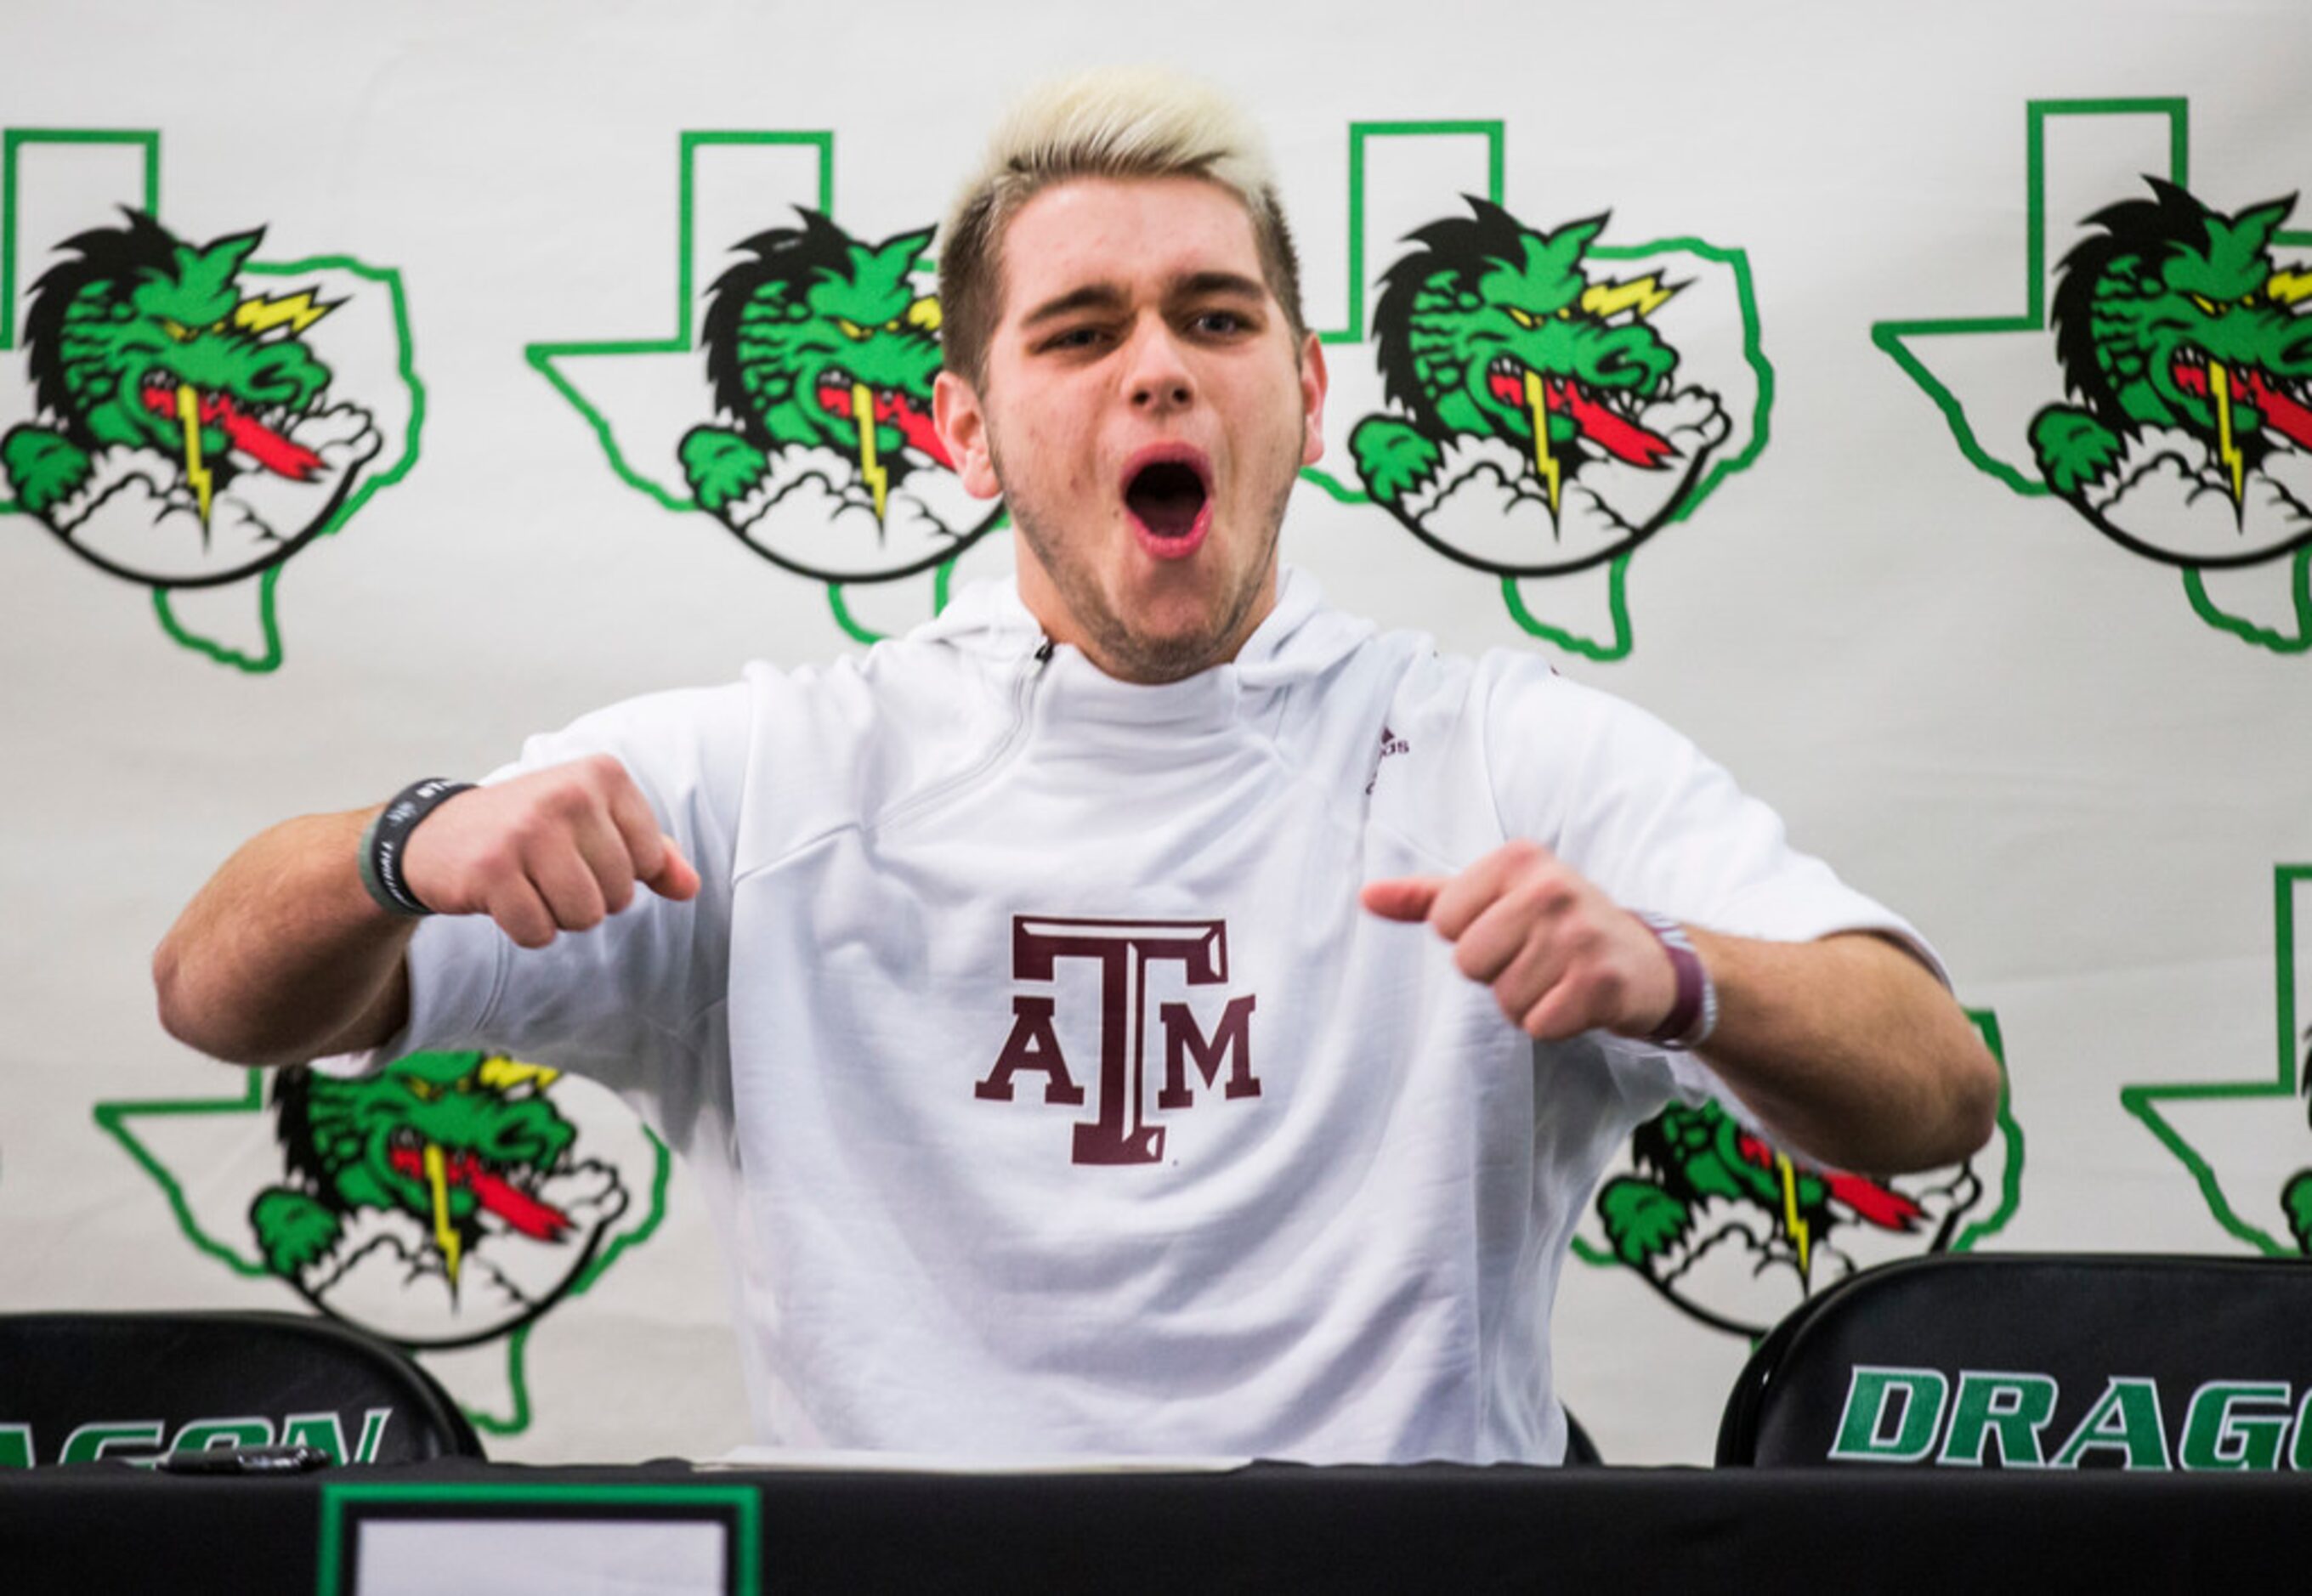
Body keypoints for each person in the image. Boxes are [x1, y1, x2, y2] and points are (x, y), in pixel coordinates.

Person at [153, 69, 1998, 1465]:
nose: (1160, 371)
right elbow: (214, 992)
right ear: (962, 428)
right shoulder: (774, 771)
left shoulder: (1514, 751)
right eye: (1081, 329)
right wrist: (403, 849)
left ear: (1306, 390)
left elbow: (1934, 1096)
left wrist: (1675, 976)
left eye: (1214, 318)